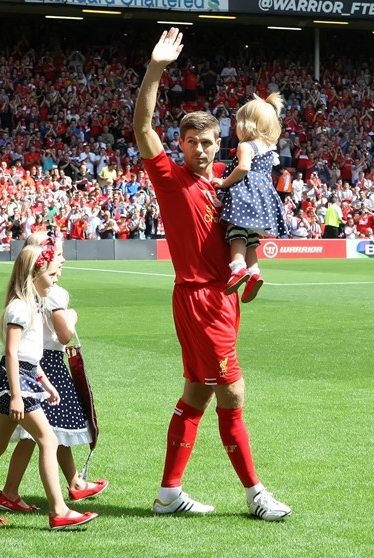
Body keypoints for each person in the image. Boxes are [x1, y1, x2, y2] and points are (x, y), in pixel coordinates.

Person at [133, 27, 291, 522]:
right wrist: (156, 68)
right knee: (234, 391)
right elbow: (141, 127)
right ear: (180, 143)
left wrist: (250, 270)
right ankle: (255, 493)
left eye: (208, 142)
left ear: (218, 141)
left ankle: (168, 494)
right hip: (200, 300)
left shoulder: (226, 183)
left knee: (197, 394)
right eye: (192, 141)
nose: (201, 149)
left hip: (217, 298)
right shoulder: (170, 177)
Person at [0, 244, 98, 530]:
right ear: (35, 274)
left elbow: (28, 355)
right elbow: (11, 353)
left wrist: (45, 383)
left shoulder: (33, 304)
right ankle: (59, 510)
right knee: (47, 440)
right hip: (17, 382)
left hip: (25, 378)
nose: (55, 279)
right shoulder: (20, 308)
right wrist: (16, 395)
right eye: (51, 274)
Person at [0, 233, 108, 513]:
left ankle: (72, 483)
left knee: (48, 430)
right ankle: (16, 493)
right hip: (44, 363)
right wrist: (72, 317)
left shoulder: (35, 289)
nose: (63, 260)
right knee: (41, 433)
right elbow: (64, 333)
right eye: (58, 254)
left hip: (37, 363)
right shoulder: (51, 292)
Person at [213, 93, 289, 302]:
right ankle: (254, 272)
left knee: (237, 232)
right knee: (251, 239)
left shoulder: (246, 146)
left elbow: (244, 168)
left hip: (246, 194)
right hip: (263, 198)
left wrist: (223, 183)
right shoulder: (269, 149)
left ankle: (238, 269)